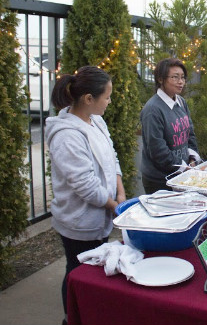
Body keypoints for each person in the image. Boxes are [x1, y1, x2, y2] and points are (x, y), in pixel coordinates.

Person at [45, 66, 126, 322]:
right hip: (78, 221)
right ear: (89, 99)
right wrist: (115, 206)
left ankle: (88, 314)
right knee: (77, 273)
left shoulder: (97, 121)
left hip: (101, 214)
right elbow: (85, 185)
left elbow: (112, 159)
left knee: (92, 275)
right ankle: (71, 317)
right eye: (107, 96)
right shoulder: (67, 136)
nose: (110, 101)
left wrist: (121, 194)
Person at [140, 58, 201, 194]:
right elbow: (157, 150)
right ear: (161, 79)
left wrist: (192, 159)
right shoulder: (153, 109)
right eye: (175, 77)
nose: (181, 82)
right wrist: (183, 167)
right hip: (160, 180)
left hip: (182, 173)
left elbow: (189, 134)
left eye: (183, 78)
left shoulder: (181, 102)